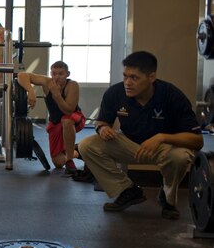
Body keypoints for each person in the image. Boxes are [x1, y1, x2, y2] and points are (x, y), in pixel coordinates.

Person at [78, 51, 203, 220]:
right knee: (87, 145)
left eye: (134, 78)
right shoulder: (115, 93)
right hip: (129, 145)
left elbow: (197, 140)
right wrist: (102, 129)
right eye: (125, 76)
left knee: (181, 156)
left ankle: (167, 198)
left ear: (151, 77)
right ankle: (128, 190)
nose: (127, 83)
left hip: (164, 149)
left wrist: (161, 137)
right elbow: (102, 122)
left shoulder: (172, 95)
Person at [17, 61, 85, 174]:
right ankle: (77, 151)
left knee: (66, 120)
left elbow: (68, 110)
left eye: (61, 74)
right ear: (51, 73)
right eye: (54, 73)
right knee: (58, 163)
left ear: (67, 74)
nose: (57, 77)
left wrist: (57, 95)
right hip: (56, 122)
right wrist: (31, 91)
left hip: (74, 118)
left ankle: (69, 160)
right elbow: (22, 75)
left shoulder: (72, 85)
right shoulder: (47, 82)